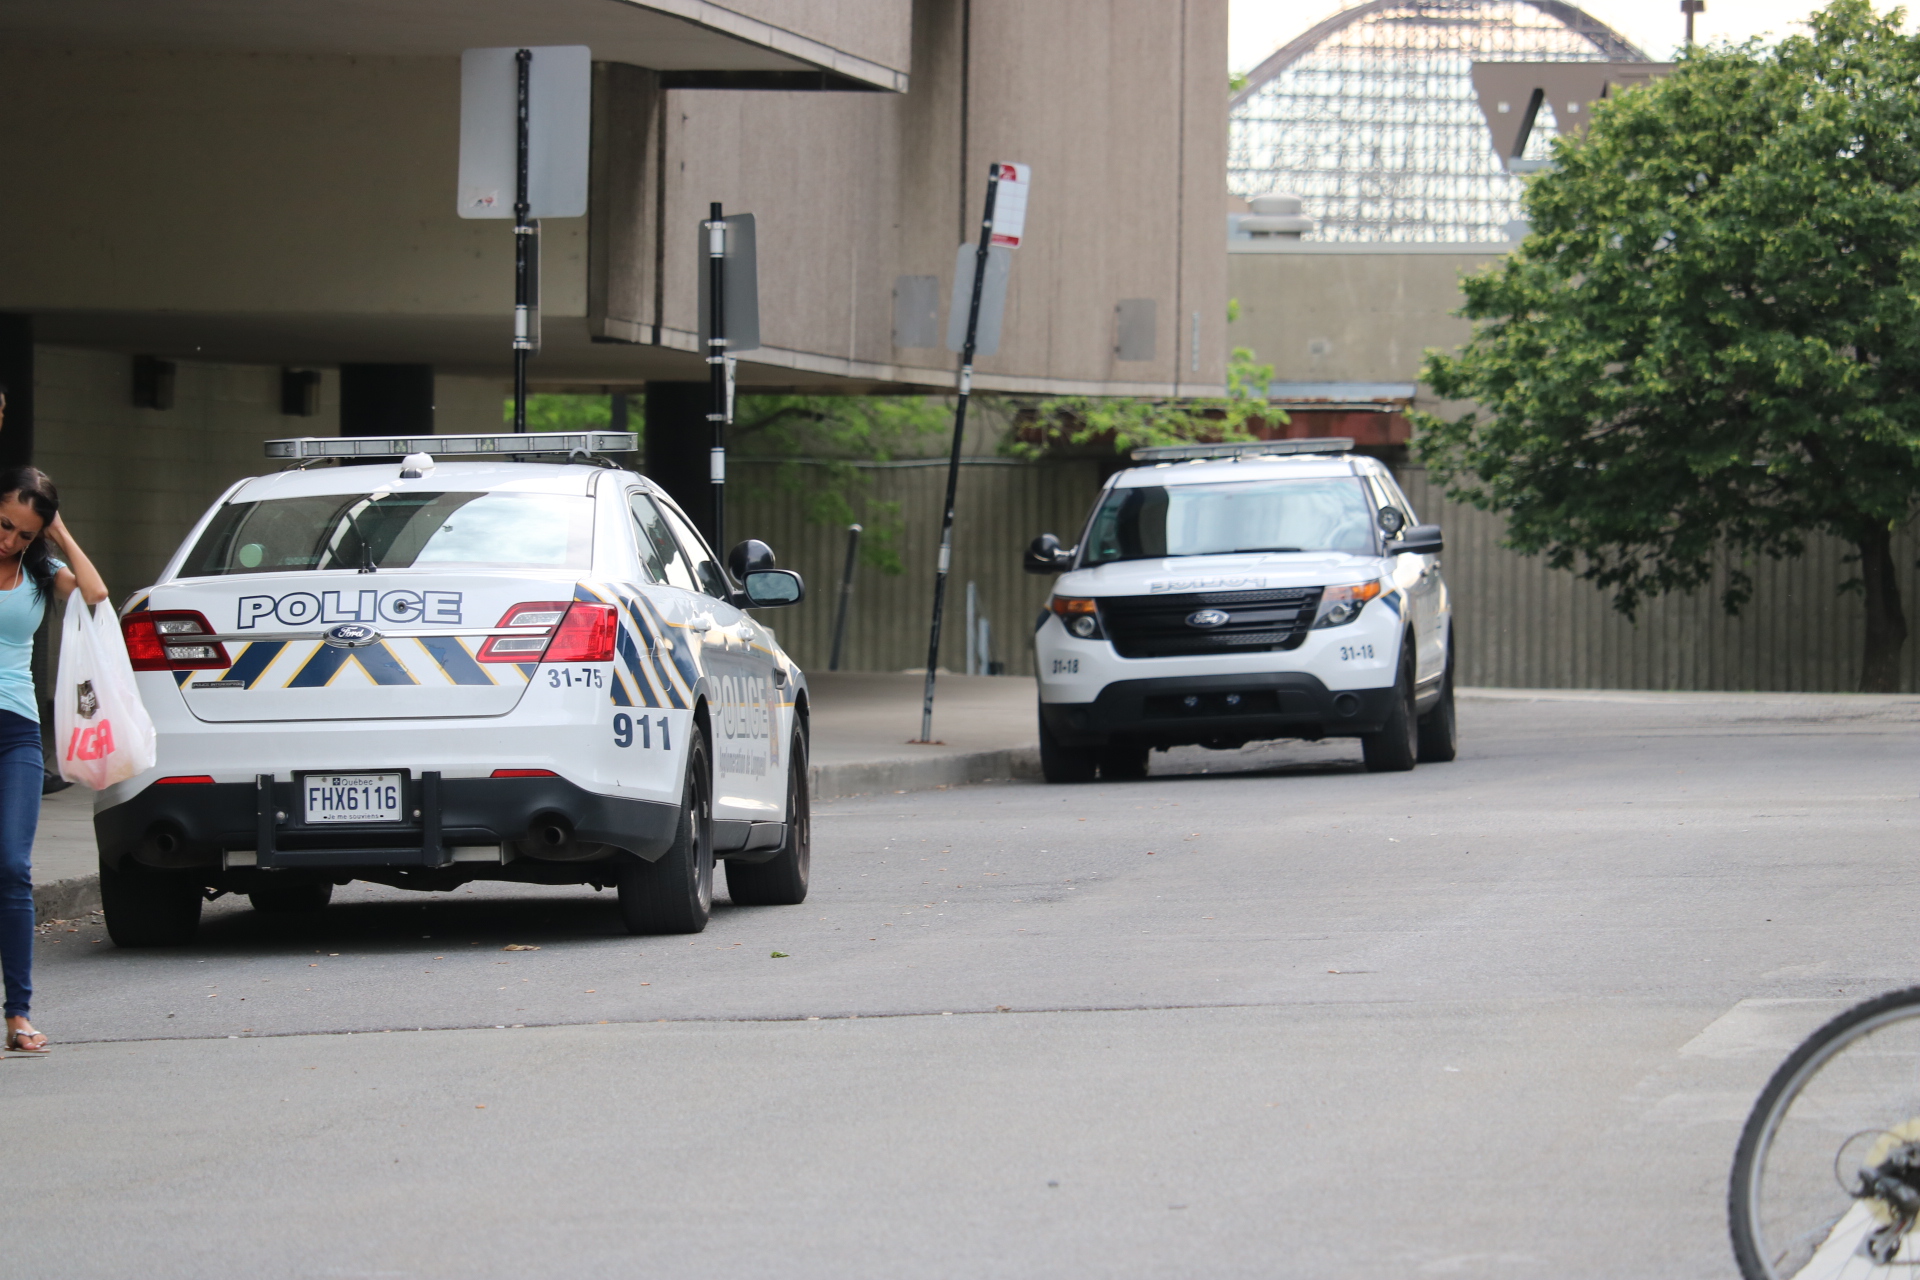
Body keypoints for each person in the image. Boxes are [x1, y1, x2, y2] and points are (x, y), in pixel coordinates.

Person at [0, 391, 109, 1055]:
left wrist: (59, 533)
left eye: (22, 533)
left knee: (11, 867)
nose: (8, 539)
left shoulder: (42, 572)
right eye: (3, 524)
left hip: (13, 730)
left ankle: (18, 1014)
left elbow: (96, 595)